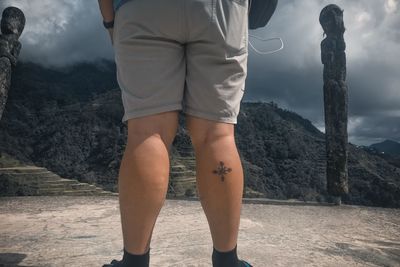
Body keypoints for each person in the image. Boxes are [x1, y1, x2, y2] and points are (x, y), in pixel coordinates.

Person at [98, 0, 251, 266]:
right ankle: (228, 262)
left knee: (147, 132)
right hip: (221, 9)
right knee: (217, 134)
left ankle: (133, 262)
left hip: (142, 9)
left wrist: (110, 21)